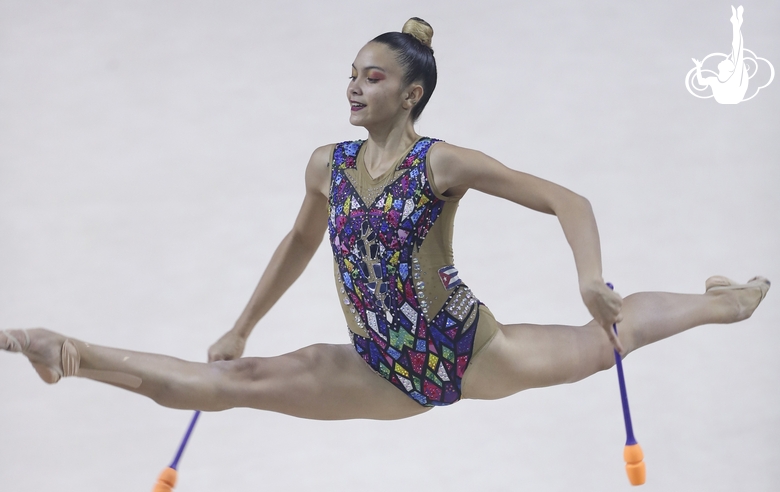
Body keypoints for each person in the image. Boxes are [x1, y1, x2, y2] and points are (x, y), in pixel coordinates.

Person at [1, 18, 770, 421]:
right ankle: (71, 353)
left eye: (372, 77)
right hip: (378, 366)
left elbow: (570, 202)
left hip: (467, 351)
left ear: (410, 94)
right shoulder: (326, 166)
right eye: (351, 75)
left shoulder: (441, 164)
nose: (354, 87)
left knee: (609, 340)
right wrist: (242, 323)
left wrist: (591, 280)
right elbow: (299, 242)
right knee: (230, 382)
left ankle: (723, 302)